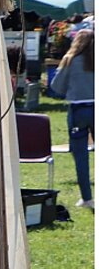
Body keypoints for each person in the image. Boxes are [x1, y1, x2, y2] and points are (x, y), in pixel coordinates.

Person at [47, 28, 95, 209]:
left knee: (80, 155)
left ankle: (87, 198)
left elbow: (56, 87)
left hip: (78, 109)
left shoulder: (70, 60)